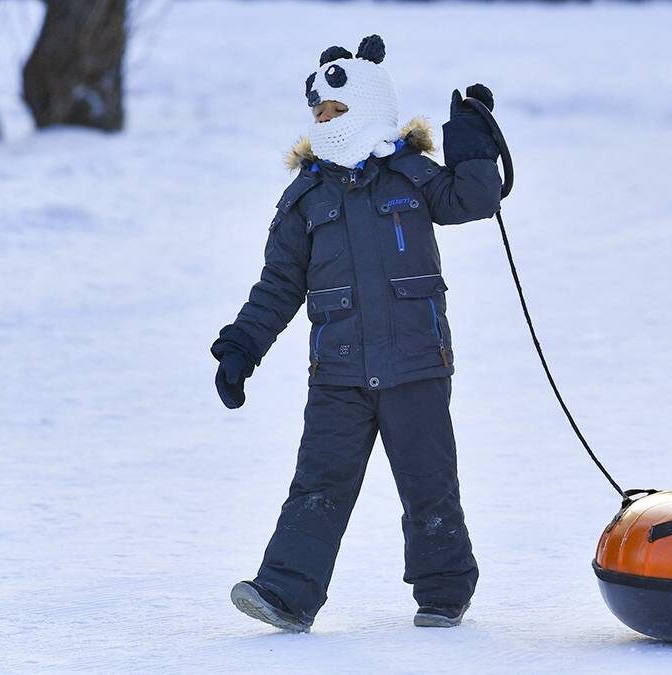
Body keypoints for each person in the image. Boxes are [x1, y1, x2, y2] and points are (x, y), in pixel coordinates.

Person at [210, 34, 502, 632]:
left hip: (416, 364)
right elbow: (277, 286)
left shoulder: (413, 178)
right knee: (318, 484)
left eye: (337, 110)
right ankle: (286, 594)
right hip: (338, 372)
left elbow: (475, 198)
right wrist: (242, 347)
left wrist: (471, 139)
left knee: (429, 484)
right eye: (318, 112)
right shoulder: (305, 199)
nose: (326, 120)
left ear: (369, 104)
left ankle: (444, 591)